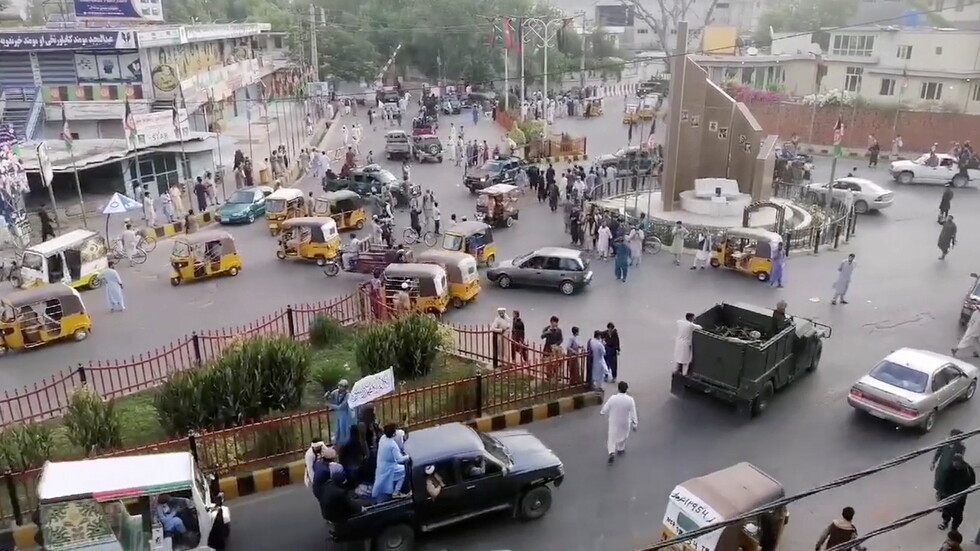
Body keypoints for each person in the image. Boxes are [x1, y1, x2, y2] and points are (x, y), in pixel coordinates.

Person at [599, 381, 638, 464]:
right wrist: (635, 424)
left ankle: (611, 452)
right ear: (626, 389)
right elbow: (633, 412)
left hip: (614, 421)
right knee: (623, 436)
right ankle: (620, 448)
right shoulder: (630, 400)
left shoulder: (613, 398)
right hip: (625, 422)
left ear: (618, 389)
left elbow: (606, 406)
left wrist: (602, 411)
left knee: (612, 437)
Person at [372, 424, 410, 503]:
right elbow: (399, 459)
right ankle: (396, 492)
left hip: (381, 465)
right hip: (390, 466)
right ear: (393, 434)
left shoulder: (383, 439)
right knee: (403, 471)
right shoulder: (392, 445)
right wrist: (408, 457)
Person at [938, 454, 975, 531]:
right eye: (954, 462)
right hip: (948, 494)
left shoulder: (968, 470)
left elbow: (972, 482)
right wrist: (941, 495)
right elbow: (942, 482)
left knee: (958, 513)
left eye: (957, 462)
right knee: (946, 510)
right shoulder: (949, 470)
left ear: (961, 462)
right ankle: (945, 521)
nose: (955, 464)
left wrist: (964, 492)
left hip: (960, 496)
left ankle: (954, 528)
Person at [933, 429, 967, 499]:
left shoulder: (959, 447)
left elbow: (959, 458)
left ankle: (943, 498)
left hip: (950, 471)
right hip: (941, 468)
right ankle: (939, 494)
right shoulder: (945, 443)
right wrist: (933, 462)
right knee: (939, 483)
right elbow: (938, 452)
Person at [325, 380, 354, 446]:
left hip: (345, 414)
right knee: (337, 429)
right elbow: (330, 398)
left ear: (346, 387)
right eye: (339, 385)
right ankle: (337, 443)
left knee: (344, 429)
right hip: (337, 414)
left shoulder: (348, 395)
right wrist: (327, 396)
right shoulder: (335, 392)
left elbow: (341, 407)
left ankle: (345, 444)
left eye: (342, 386)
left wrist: (329, 405)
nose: (340, 387)